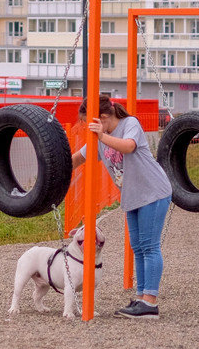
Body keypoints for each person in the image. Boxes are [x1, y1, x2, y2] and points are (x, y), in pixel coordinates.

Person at [72, 97, 172, 320]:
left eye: (91, 122)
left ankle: (150, 302)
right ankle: (141, 298)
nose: (90, 127)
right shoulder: (100, 138)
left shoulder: (130, 124)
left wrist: (102, 136)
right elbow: (79, 157)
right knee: (137, 247)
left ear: (104, 118)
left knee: (149, 246)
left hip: (152, 191)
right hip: (133, 195)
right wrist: (54, 172)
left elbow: (129, 147)